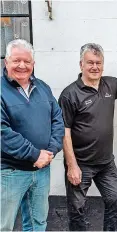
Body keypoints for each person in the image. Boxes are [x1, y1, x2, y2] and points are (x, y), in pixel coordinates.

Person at [58, 43, 117, 231]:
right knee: (76, 208)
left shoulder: (110, 84)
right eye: (90, 63)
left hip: (105, 163)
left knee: (115, 200)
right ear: (81, 65)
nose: (95, 67)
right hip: (81, 163)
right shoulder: (70, 94)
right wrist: (72, 165)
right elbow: (64, 131)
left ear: (103, 65)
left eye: (98, 63)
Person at [1, 39, 64, 231]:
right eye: (16, 60)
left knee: (38, 223)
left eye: (27, 61)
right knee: (4, 225)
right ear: (6, 62)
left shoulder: (43, 88)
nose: (22, 65)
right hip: (11, 172)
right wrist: (34, 154)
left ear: (33, 64)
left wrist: (50, 151)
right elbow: (3, 132)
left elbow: (58, 121)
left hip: (41, 170)